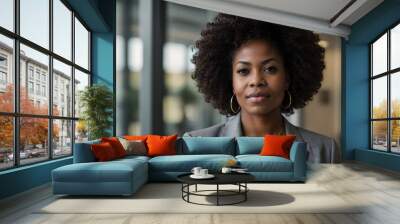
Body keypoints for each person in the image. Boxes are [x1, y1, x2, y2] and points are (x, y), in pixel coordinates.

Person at [184, 13, 340, 163]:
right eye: (243, 71)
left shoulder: (325, 150)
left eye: (270, 69)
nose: (256, 81)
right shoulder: (194, 145)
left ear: (287, 78)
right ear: (231, 82)